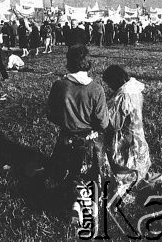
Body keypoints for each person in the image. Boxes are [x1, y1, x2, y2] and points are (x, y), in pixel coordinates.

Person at [47, 44, 109, 204]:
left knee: (63, 171)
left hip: (66, 136)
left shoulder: (59, 85)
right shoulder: (96, 89)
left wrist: (66, 120)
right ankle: (86, 201)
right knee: (89, 173)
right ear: (88, 63)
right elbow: (103, 121)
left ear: (68, 63)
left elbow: (50, 114)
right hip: (89, 138)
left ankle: (65, 197)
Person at [102, 65, 162, 200]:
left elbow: (114, 123)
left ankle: (144, 189)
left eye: (109, 83)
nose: (109, 87)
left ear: (114, 80)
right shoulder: (134, 90)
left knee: (123, 168)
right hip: (137, 133)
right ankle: (159, 180)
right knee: (136, 167)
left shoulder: (123, 95)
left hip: (125, 138)